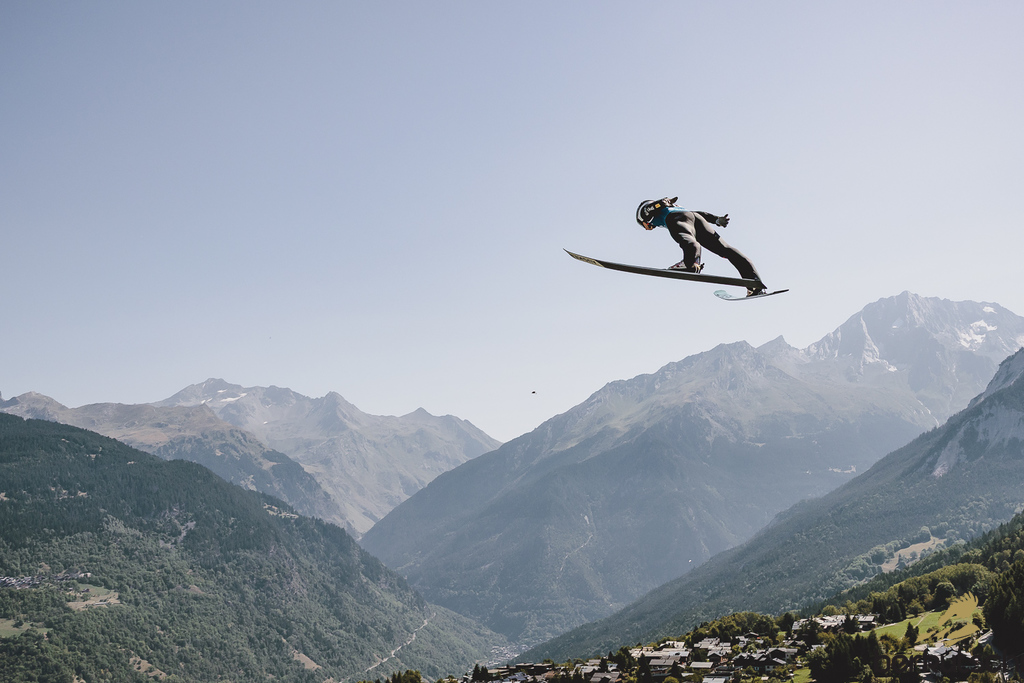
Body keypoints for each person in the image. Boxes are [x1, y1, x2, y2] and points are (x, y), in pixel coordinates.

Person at [636, 197, 766, 296]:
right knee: (726, 250)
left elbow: (654, 206)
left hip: (677, 218)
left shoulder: (644, 213)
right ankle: (754, 284)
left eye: (643, 225)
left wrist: (663, 201)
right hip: (696, 218)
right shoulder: (675, 207)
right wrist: (716, 219)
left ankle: (690, 264)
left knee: (686, 239)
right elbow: (696, 213)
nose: (647, 228)